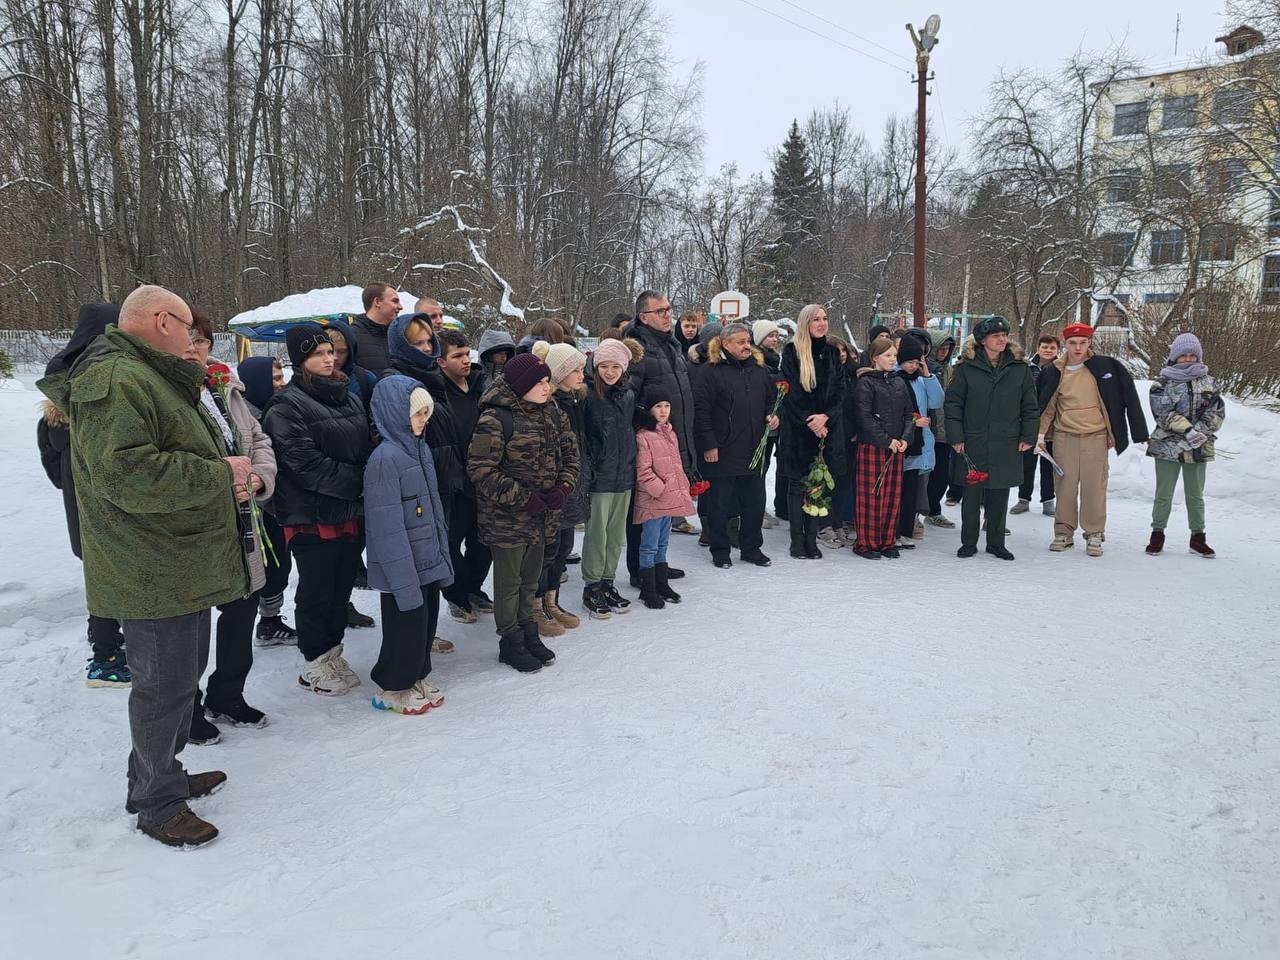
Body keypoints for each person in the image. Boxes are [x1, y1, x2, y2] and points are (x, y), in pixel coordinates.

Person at [36, 284, 247, 848]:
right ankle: (157, 803)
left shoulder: (141, 373)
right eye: (185, 326)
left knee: (180, 680)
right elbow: (129, 477)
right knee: (162, 687)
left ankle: (161, 776)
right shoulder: (118, 379)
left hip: (175, 558)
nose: (193, 338)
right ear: (160, 321)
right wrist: (219, 473)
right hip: (151, 565)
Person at [263, 323, 373, 695]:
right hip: (310, 514)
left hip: (349, 511)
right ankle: (314, 660)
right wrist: (362, 480)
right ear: (300, 361)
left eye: (331, 352)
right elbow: (304, 464)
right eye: (318, 354)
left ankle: (332, 650)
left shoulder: (350, 397)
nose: (328, 359)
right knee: (317, 589)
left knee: (342, 586)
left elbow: (366, 443)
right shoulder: (285, 406)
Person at [185, 307, 277, 741]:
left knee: (241, 611)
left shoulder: (225, 388)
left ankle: (227, 693)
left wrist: (259, 478)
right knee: (191, 627)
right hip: (196, 529)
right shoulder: (165, 391)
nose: (193, 349)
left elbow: (257, 438)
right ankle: (185, 708)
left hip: (241, 522)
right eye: (186, 339)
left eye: (200, 341)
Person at [468, 353, 579, 672]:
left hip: (543, 516)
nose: (547, 388)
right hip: (507, 519)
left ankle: (527, 629)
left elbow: (571, 455)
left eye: (547, 381)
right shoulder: (496, 418)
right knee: (509, 583)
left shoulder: (554, 413)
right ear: (521, 386)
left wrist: (564, 487)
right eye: (539, 383)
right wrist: (522, 497)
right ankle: (510, 639)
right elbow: (480, 468)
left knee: (531, 579)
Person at [36, 301, 128, 686]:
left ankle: (107, 648)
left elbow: (49, 454)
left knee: (102, 572)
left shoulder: (61, 375)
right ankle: (105, 656)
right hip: (103, 498)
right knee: (110, 573)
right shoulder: (102, 371)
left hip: (79, 498)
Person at [364, 376, 452, 714]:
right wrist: (401, 575)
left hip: (426, 557)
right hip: (403, 563)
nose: (422, 421)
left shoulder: (419, 448)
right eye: (416, 414)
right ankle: (392, 684)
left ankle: (417, 674)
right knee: (404, 625)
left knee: (424, 622)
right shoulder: (385, 459)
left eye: (426, 414)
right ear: (393, 414)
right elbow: (386, 526)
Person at [1036, 323, 1149, 556]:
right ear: (1065, 344)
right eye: (1072, 343)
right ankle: (1063, 532)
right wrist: (1038, 435)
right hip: (1064, 436)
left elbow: (1128, 397)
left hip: (1095, 436)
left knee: (1093, 487)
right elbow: (1046, 406)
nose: (1077, 348)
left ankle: (1094, 533)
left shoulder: (1106, 367)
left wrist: (1135, 432)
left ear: (1090, 342)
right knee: (1065, 487)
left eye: (1083, 342)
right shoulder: (1054, 370)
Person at [944, 316, 1039, 561]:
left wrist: (1028, 435)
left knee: (999, 494)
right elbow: (953, 404)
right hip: (973, 441)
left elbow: (1030, 405)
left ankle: (997, 543)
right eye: (996, 336)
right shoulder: (966, 368)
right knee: (971, 495)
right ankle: (968, 542)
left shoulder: (1019, 369)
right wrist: (956, 435)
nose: (1002, 339)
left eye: (1004, 335)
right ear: (983, 340)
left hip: (1007, 441)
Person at [425, 329, 495, 627]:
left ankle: (474, 587)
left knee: (484, 541)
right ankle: (456, 594)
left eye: (468, 354)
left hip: (484, 478)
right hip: (452, 481)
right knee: (452, 542)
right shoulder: (435, 393)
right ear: (440, 361)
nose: (466, 361)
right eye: (457, 356)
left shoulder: (482, 385)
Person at [692, 323, 777, 568]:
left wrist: (772, 415)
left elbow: (771, 399)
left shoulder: (759, 370)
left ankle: (751, 548)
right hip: (723, 448)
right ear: (725, 343)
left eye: (748, 341)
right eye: (740, 341)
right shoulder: (711, 371)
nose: (746, 346)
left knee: (755, 503)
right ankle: (720, 550)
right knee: (720, 504)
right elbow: (701, 410)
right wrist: (709, 444)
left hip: (753, 449)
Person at [623, 291, 697, 568]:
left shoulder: (672, 346)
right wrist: (650, 429)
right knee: (646, 512)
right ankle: (640, 569)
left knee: (667, 510)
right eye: (661, 311)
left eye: (669, 309)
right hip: (649, 446)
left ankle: (657, 565)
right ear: (643, 317)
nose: (668, 315)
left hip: (674, 439)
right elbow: (630, 398)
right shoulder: (636, 349)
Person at [1144, 333, 1224, 558]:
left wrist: (1201, 432)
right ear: (1174, 357)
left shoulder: (1210, 382)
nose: (1188, 359)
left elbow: (1216, 411)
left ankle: (1198, 537)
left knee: (1195, 494)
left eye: (1192, 355)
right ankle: (1157, 534)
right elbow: (1162, 412)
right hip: (1168, 446)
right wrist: (1187, 430)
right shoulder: (1162, 383)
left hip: (1199, 446)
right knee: (1164, 493)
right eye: (1183, 355)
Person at [237, 355, 298, 646]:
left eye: (281, 376)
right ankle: (266, 621)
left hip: (277, 503)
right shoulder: (243, 416)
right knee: (268, 567)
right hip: (257, 507)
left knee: (280, 565)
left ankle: (270, 619)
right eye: (275, 378)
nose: (282, 382)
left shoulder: (278, 408)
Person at [778, 304, 846, 559]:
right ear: (805, 323)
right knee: (798, 486)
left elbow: (841, 391)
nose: (821, 323)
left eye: (825, 318)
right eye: (816, 319)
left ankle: (811, 538)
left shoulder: (830, 352)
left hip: (826, 431)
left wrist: (826, 417)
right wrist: (811, 420)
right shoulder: (792, 352)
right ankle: (797, 541)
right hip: (800, 431)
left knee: (819, 487)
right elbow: (790, 392)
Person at [530, 340, 589, 636]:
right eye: (575, 370)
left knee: (564, 547)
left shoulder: (574, 402)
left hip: (571, 486)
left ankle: (552, 601)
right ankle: (536, 605)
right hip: (552, 489)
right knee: (547, 551)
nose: (582, 374)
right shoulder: (550, 405)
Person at [580, 338, 638, 619]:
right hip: (600, 476)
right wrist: (589, 470)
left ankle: (608, 580)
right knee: (597, 533)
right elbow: (586, 437)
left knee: (616, 534)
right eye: (604, 366)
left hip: (624, 474)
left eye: (616, 366)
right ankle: (592, 585)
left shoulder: (628, 394)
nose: (610, 372)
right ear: (596, 366)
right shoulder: (588, 395)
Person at [852, 339, 915, 559]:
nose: (892, 360)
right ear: (875, 358)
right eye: (888, 355)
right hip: (873, 446)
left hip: (896, 447)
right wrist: (886, 440)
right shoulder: (866, 383)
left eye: (894, 355)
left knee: (892, 495)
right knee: (871, 496)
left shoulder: (899, 383)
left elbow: (910, 414)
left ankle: (887, 540)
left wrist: (905, 438)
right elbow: (864, 417)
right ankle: (866, 543)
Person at [634, 385, 694, 608]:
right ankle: (648, 589)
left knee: (663, 543)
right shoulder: (644, 435)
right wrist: (660, 490)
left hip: (668, 499)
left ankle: (662, 583)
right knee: (649, 545)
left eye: (667, 406)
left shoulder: (670, 432)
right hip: (653, 500)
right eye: (658, 406)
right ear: (649, 409)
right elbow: (644, 470)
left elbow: (675, 465)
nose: (663, 410)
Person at [894, 335, 944, 551]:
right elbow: (892, 411)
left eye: (917, 362)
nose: (913, 366)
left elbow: (937, 401)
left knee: (911, 492)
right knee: (895, 491)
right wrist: (915, 420)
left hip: (918, 443)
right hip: (900, 442)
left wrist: (927, 374)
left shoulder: (923, 380)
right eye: (909, 362)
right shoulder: (894, 379)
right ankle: (892, 530)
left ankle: (905, 531)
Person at [1013, 333, 1061, 516]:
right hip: (1028, 423)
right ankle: (1023, 499)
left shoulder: (1060, 368)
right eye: (1044, 347)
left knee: (1048, 464)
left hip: (1052, 425)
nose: (1048, 351)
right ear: (1038, 348)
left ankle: (1048, 500)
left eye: (1052, 348)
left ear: (1057, 350)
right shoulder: (1027, 367)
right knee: (1026, 463)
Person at [752, 319, 786, 528]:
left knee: (764, 468)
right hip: (759, 422)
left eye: (775, 336)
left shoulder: (776, 360)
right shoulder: (756, 362)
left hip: (774, 422)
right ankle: (755, 508)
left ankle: (760, 507)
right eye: (769, 336)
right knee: (757, 468)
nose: (773, 339)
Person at [924, 333, 958, 527]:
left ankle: (933, 509)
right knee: (922, 476)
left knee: (942, 475)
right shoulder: (924, 368)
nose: (944, 353)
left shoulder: (950, 370)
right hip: (928, 428)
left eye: (947, 349)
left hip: (945, 432)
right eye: (941, 348)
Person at [351, 283, 403, 373]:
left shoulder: (401, 337)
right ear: (377, 302)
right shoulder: (351, 337)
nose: (401, 307)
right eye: (395, 301)